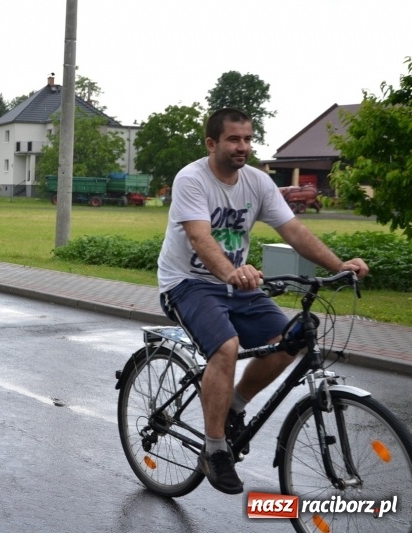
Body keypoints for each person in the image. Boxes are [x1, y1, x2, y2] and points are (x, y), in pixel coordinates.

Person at [156, 108, 369, 495]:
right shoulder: (192, 179)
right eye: (234, 139)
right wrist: (230, 273)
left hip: (238, 285)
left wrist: (340, 265)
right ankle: (215, 449)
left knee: (292, 337)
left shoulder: (257, 182)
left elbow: (293, 230)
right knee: (226, 347)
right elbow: (201, 238)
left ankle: (234, 406)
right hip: (187, 283)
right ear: (212, 143)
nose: (243, 147)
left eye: (248, 139)